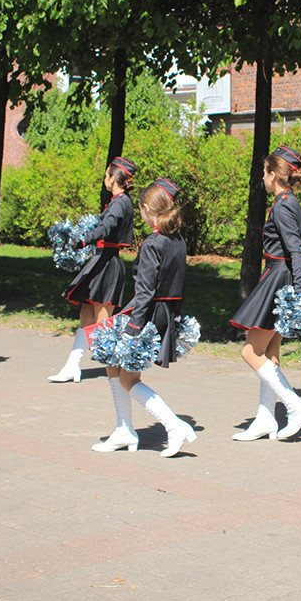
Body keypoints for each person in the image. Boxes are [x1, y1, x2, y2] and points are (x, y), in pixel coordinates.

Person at [92, 178, 196, 457]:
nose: (140, 213)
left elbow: (145, 290)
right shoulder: (177, 240)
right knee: (113, 366)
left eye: (141, 208)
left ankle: (174, 426)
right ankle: (123, 429)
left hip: (146, 315)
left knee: (129, 379)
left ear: (149, 208)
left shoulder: (153, 243)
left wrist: (132, 330)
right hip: (163, 314)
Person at [231, 147, 301, 441]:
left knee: (250, 351)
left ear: (273, 175)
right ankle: (265, 419)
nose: (263, 179)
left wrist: (299, 292)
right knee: (270, 353)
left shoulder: (281, 206)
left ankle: (294, 406)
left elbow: (295, 250)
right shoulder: (289, 201)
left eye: (265, 173)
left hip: (279, 277)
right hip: (283, 277)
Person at [49, 157, 137, 383]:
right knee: (86, 313)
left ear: (114, 178)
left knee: (103, 321)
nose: (104, 179)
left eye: (107, 175)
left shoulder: (119, 202)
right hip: (102, 261)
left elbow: (107, 228)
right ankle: (72, 366)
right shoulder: (119, 201)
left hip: (108, 262)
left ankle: (117, 371)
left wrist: (82, 240)